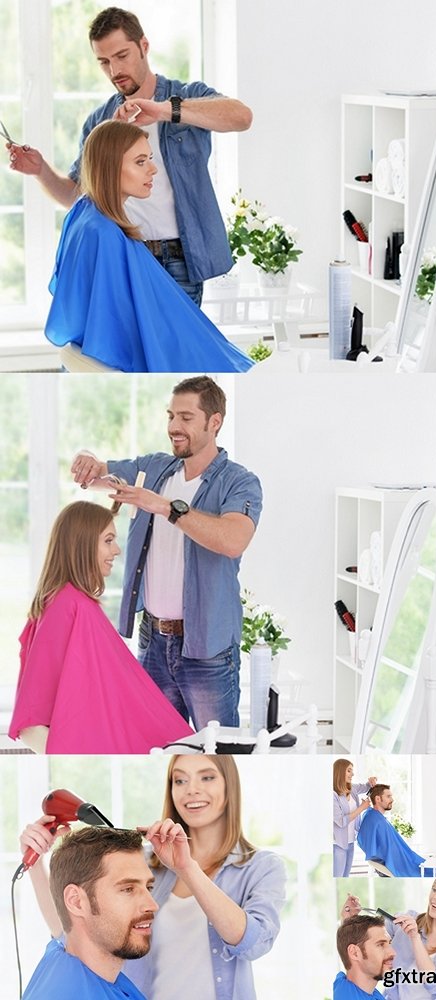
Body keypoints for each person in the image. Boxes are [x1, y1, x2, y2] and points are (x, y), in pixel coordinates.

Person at [6, 5, 252, 304]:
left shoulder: (187, 95)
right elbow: (77, 196)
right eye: (104, 62)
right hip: (123, 257)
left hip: (180, 263)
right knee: (128, 351)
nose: (115, 71)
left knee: (176, 350)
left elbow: (241, 117)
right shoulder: (100, 122)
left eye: (122, 56)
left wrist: (162, 110)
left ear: (143, 46)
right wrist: (40, 170)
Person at [71, 376, 262, 731]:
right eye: (170, 416)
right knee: (156, 744)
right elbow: (99, 475)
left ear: (214, 422)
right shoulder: (155, 468)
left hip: (208, 651)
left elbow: (234, 539)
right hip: (153, 643)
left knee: (215, 751)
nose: (174, 427)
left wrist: (165, 507)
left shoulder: (239, 481)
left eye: (186, 418)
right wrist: (87, 459)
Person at [20, 755, 286, 1000]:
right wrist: (35, 863)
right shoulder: (146, 864)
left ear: (230, 787)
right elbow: (76, 928)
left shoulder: (260, 868)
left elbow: (253, 944)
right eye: (179, 780)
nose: (191, 789)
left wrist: (186, 867)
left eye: (207, 777)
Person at [44, 119, 254, 373]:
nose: (153, 169)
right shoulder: (103, 233)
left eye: (150, 159)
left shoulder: (85, 213)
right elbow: (114, 326)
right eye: (140, 162)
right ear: (109, 166)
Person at [8, 500, 193, 753]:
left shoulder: (76, 603)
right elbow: (33, 723)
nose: (116, 550)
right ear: (81, 545)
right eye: (108, 540)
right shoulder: (66, 606)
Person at [22, 827, 157, 999]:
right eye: (128, 889)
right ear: (76, 901)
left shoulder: (63, 957)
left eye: (149, 888)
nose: (152, 905)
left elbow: (66, 925)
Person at [340, 879, 436, 1000]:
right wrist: (349, 919)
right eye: (435, 889)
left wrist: (415, 938)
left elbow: (435, 983)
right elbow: (362, 943)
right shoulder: (406, 919)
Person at [357, 785, 432, 878]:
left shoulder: (371, 815)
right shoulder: (377, 821)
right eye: (388, 796)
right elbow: (387, 851)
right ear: (378, 799)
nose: (392, 799)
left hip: (387, 863)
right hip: (389, 865)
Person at [333, 758, 377, 877]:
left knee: (345, 876)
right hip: (338, 845)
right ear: (340, 772)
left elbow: (367, 787)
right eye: (349, 771)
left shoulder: (351, 788)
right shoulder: (333, 795)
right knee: (338, 877)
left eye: (352, 771)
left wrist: (372, 781)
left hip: (350, 842)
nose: (352, 774)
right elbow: (341, 822)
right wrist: (362, 807)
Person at [334, 914, 395, 998]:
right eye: (380, 944)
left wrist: (349, 925)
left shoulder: (341, 983)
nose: (392, 953)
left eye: (390, 943)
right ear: (354, 953)